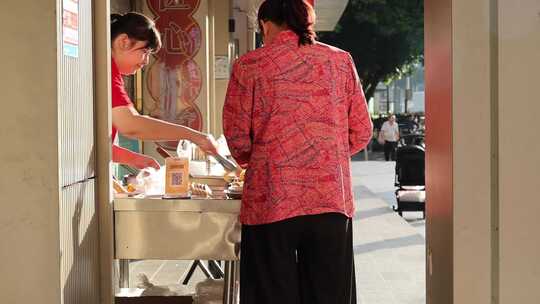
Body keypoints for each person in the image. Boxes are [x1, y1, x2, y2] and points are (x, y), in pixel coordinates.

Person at [222, 1, 372, 303]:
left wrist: (265, 158)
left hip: (271, 201)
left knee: (271, 293)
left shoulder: (250, 65)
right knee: (330, 294)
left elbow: (237, 137)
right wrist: (328, 156)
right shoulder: (341, 61)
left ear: (265, 24)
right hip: (330, 200)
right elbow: (361, 130)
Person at [110, 12, 218, 170]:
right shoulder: (108, 71)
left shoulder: (109, 71)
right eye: (144, 52)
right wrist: (195, 136)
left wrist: (136, 159)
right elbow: (130, 125)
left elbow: (94, 146)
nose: (145, 62)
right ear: (124, 41)